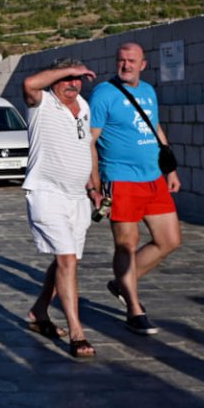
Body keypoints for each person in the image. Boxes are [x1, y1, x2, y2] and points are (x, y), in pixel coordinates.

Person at [91, 42, 182, 336]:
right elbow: (90, 140)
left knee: (169, 240)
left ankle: (121, 283)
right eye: (121, 60)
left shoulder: (148, 91)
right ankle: (134, 308)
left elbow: (156, 129)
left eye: (132, 61)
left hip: (153, 177)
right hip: (121, 178)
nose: (126, 65)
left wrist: (170, 169)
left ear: (143, 65)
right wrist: (94, 184)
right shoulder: (104, 94)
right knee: (126, 244)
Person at [21, 58, 101, 358]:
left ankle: (39, 311)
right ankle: (77, 333)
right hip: (47, 194)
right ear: (54, 79)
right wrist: (70, 70)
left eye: (78, 79)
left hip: (77, 198)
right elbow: (29, 84)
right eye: (68, 78)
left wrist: (94, 187)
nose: (73, 84)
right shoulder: (42, 103)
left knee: (66, 261)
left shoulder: (84, 106)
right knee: (67, 259)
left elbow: (87, 146)